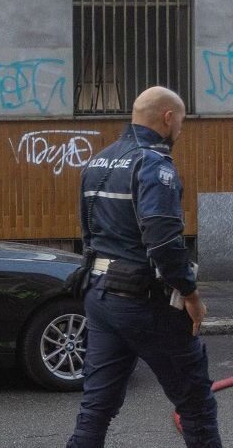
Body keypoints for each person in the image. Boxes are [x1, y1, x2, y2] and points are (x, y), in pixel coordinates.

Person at [67, 86, 222, 448]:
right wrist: (190, 294)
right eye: (181, 122)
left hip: (101, 294)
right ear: (168, 118)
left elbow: (89, 231)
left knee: (96, 407)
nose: (181, 130)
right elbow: (164, 241)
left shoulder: (99, 161)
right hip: (144, 300)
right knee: (197, 406)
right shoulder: (153, 163)